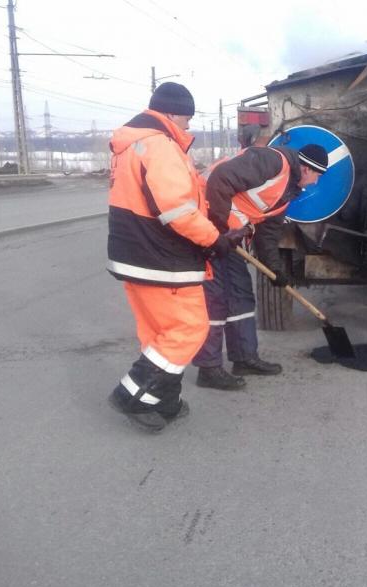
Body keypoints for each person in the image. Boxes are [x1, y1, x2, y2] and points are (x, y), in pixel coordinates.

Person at [106, 82, 238, 431]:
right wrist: (214, 240)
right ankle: (130, 395)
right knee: (188, 329)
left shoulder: (130, 145)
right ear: (169, 113)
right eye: (186, 119)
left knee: (159, 333)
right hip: (164, 259)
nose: (189, 127)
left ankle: (163, 399)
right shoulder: (160, 146)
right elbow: (178, 210)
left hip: (135, 255)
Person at [191, 141, 329, 390]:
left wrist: (276, 270)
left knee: (241, 295)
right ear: (307, 169)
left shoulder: (286, 194)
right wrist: (219, 233)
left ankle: (244, 358)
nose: (316, 182)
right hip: (204, 225)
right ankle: (208, 368)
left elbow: (268, 235)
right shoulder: (273, 163)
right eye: (317, 175)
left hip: (225, 237)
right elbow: (220, 180)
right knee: (216, 299)